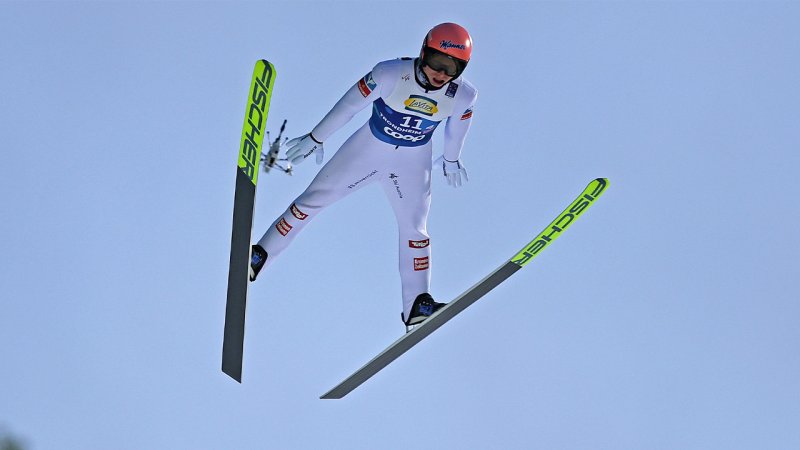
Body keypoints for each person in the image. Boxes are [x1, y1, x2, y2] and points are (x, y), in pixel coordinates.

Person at [249, 23, 478, 332]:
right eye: (438, 62)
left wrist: (451, 159)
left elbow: (457, 129)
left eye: (452, 68)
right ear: (423, 52)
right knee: (313, 201)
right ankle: (259, 255)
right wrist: (317, 137)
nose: (441, 73)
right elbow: (349, 106)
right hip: (369, 148)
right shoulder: (390, 74)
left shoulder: (462, 95)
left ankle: (416, 306)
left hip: (413, 161)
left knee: (415, 230)